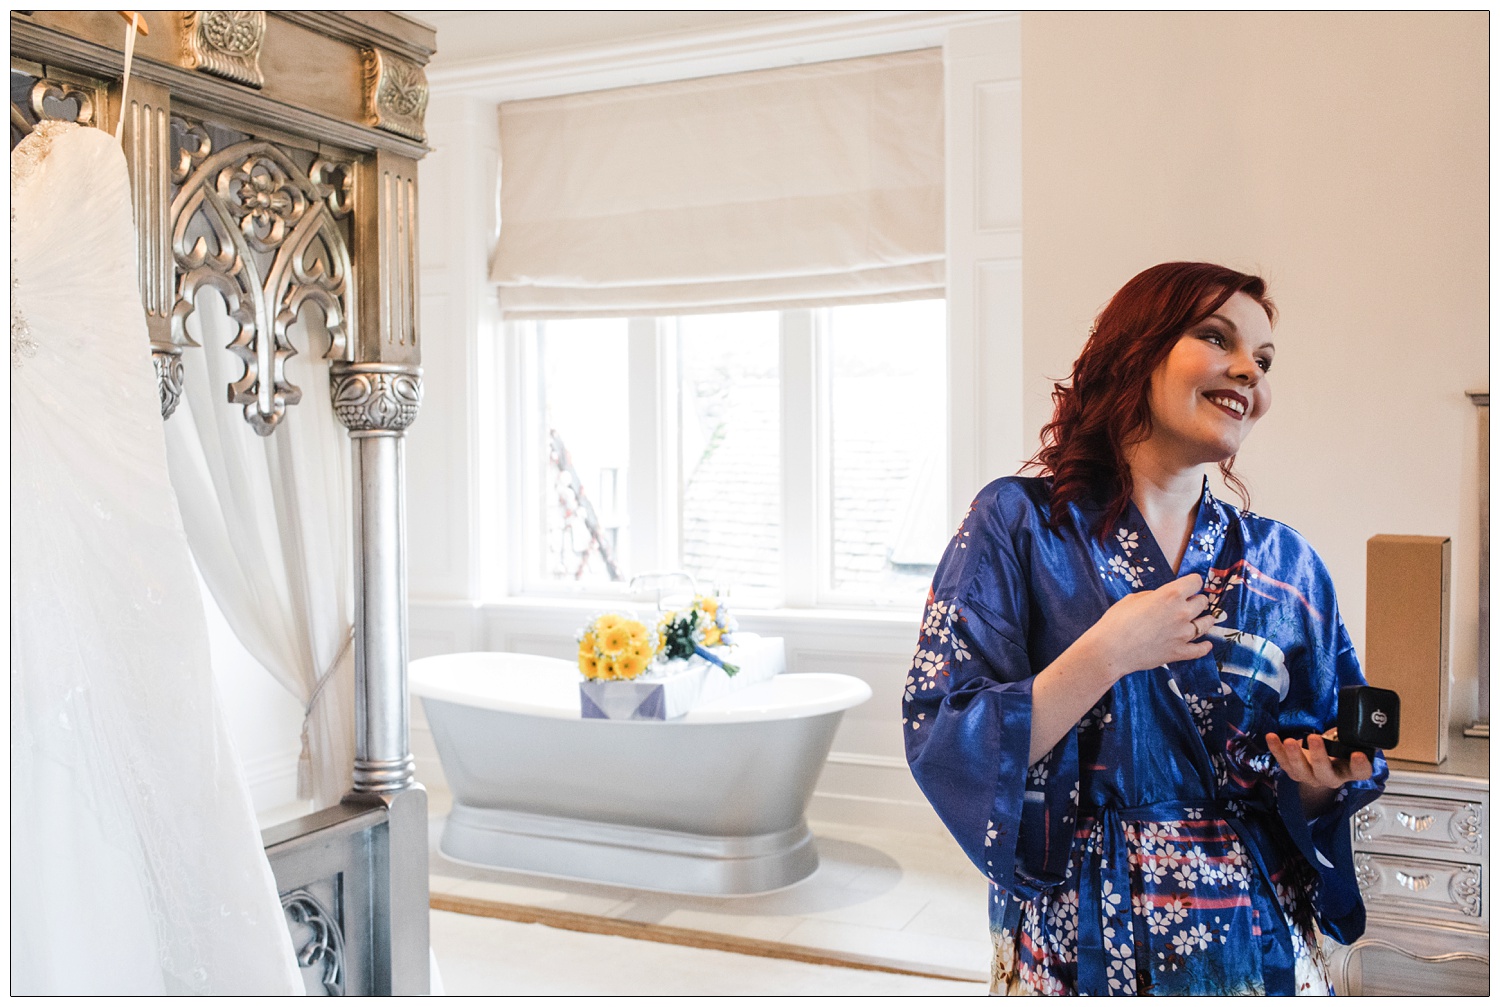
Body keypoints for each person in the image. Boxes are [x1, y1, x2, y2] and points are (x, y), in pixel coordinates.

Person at [903, 262, 1386, 996]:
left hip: (1251, 932)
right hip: (1085, 924)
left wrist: (1318, 785)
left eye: (1262, 359)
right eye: (1215, 337)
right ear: (1136, 350)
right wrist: (1103, 653)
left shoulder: (1287, 562)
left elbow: (1315, 767)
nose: (1247, 371)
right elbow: (945, 731)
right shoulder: (1018, 524)